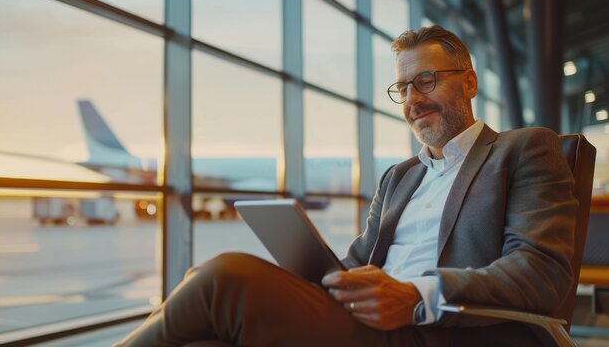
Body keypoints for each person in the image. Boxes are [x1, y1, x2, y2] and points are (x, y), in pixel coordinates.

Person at [115, 25, 577, 346]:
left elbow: (541, 273)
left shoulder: (523, 150)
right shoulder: (399, 177)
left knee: (222, 278)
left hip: (445, 332)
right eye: (403, 89)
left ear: (470, 82)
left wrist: (416, 294)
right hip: (368, 325)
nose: (414, 99)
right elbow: (357, 264)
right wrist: (321, 276)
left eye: (427, 81)